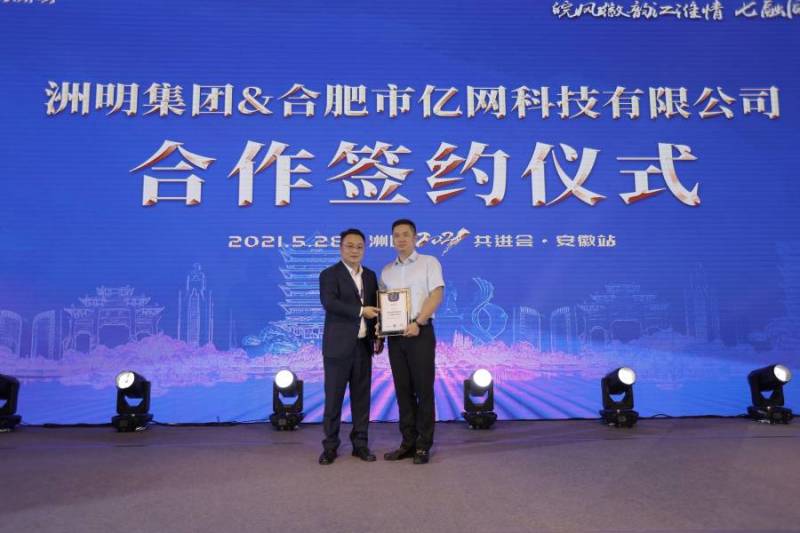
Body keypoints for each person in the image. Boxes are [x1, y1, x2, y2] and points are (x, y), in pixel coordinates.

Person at [380, 219, 444, 465]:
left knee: (423, 390)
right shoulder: (387, 271)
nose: (401, 239)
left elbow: (436, 294)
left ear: (415, 237)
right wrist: (381, 331)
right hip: (395, 336)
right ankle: (407, 443)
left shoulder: (429, 262)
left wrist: (418, 322)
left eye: (405, 234)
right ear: (392, 239)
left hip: (420, 332)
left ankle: (423, 445)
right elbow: (384, 305)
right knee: (403, 390)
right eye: (396, 235)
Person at [318, 228, 382, 465]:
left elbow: (376, 308)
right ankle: (330, 447)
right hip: (337, 348)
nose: (355, 250)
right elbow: (329, 303)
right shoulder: (329, 274)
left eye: (359, 247)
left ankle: (360, 444)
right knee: (333, 399)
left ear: (364, 249)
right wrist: (360, 311)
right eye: (350, 246)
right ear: (341, 248)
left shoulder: (370, 276)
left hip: (363, 347)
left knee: (361, 399)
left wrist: (378, 335)